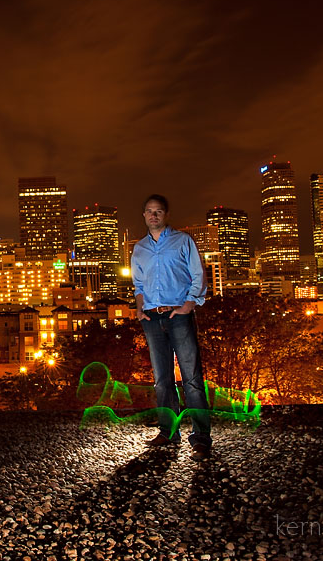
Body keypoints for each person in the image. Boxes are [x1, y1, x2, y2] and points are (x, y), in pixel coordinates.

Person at [131, 194, 212, 461]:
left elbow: (198, 273)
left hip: (178, 314)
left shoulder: (182, 241)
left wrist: (189, 304)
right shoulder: (139, 248)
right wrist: (140, 308)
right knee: (162, 380)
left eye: (159, 211)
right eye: (149, 211)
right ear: (144, 215)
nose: (154, 215)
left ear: (165, 214)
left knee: (191, 377)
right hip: (152, 318)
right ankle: (168, 431)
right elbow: (139, 284)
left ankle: (201, 437)